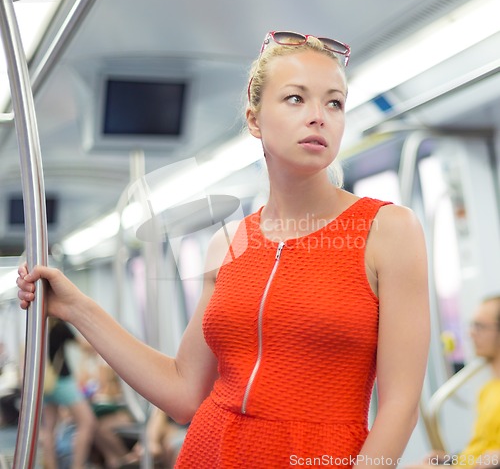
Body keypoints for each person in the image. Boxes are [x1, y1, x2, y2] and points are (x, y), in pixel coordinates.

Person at [17, 31, 430, 467]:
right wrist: (78, 308)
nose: (318, 116)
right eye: (295, 99)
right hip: (209, 451)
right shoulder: (229, 243)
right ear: (254, 120)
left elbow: (400, 407)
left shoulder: (388, 229)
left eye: (334, 103)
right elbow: (182, 392)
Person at [406, 296, 500, 469]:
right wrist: (451, 460)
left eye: (480, 326)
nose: (471, 333)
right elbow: (480, 447)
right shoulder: (487, 390)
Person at [41, 318, 96, 469]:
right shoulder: (59, 325)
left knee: (49, 428)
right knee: (86, 422)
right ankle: (77, 466)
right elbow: (84, 346)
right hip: (62, 381)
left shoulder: (38, 323)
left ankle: (51, 466)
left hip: (45, 382)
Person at [77, 340, 136, 468]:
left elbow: (108, 388)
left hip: (122, 409)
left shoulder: (106, 361)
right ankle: (115, 458)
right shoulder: (90, 362)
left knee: (99, 427)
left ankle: (124, 457)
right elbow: (82, 382)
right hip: (109, 407)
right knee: (93, 425)